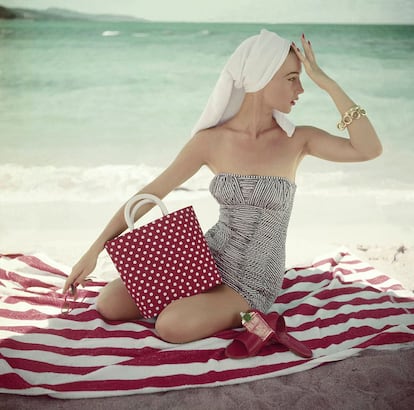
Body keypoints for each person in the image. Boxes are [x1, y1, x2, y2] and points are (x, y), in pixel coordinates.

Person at [63, 30, 382, 344]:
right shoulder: (210, 141)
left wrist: (328, 83)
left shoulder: (299, 140)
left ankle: (221, 309)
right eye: (291, 78)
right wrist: (94, 251)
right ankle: (197, 301)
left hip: (251, 279)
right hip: (205, 256)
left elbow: (368, 149)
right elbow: (151, 193)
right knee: (110, 302)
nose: (300, 88)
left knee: (170, 325)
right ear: (261, 77)